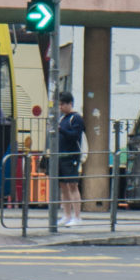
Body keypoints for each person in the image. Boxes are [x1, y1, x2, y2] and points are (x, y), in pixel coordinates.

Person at [57, 90, 85, 226]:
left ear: (70, 104)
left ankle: (77, 216)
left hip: (72, 155)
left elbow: (75, 135)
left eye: (63, 104)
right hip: (61, 155)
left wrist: (61, 130)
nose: (60, 107)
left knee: (73, 185)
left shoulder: (76, 118)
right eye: (59, 104)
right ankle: (67, 215)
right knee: (63, 186)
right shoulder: (62, 119)